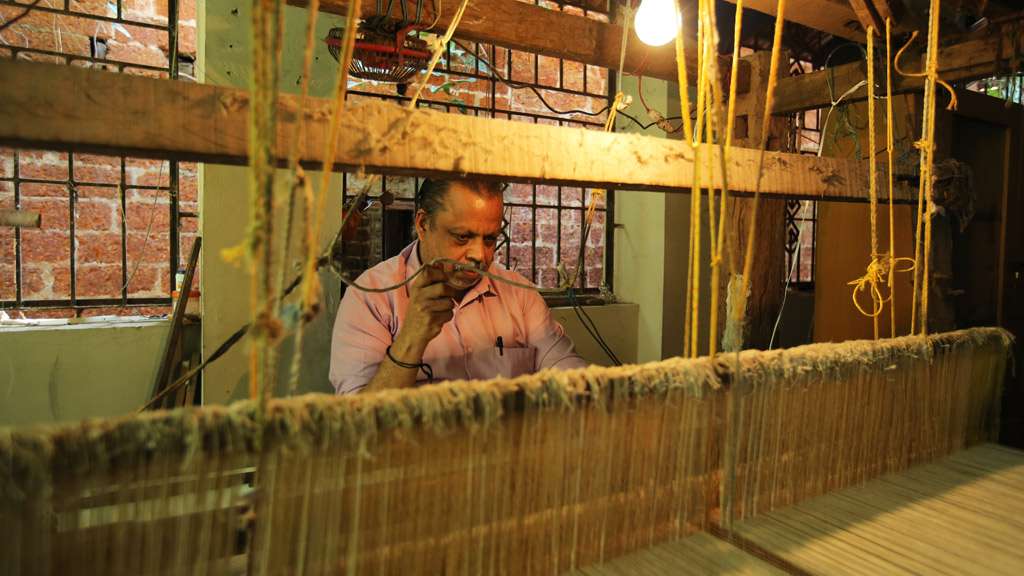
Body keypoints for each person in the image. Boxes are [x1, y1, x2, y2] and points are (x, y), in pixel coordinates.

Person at [329, 178, 587, 394]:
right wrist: (412, 338)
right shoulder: (370, 298)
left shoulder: (519, 295)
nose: (479, 255)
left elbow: (565, 367)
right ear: (422, 224)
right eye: (462, 237)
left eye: (489, 239)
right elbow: (359, 422)